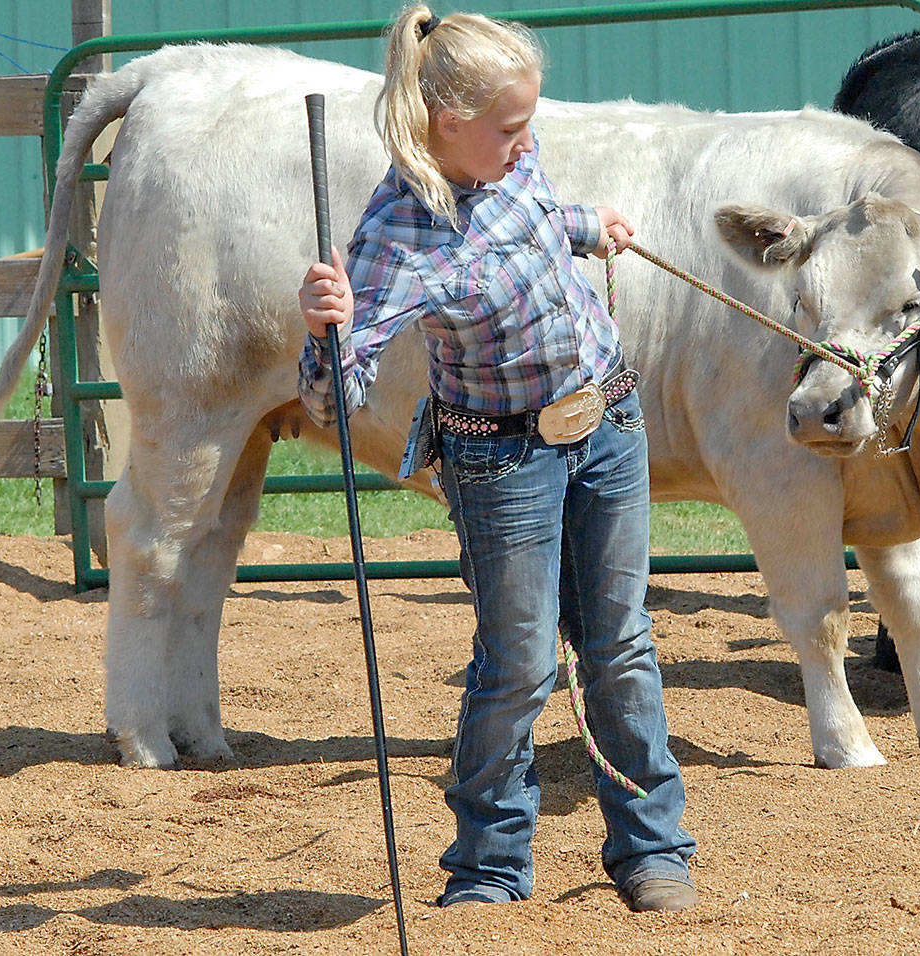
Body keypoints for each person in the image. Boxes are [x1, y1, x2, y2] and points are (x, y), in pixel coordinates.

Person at [297, 4, 696, 912]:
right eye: (511, 128)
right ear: (450, 123)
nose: (526, 142)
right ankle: (488, 865)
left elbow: (534, 213)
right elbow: (334, 392)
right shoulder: (397, 232)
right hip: (499, 460)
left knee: (621, 644)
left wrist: (588, 225)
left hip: (607, 425)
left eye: (530, 124)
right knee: (518, 663)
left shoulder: (514, 161)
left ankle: (652, 848)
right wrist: (329, 329)